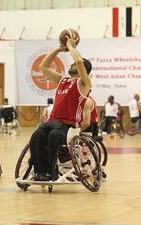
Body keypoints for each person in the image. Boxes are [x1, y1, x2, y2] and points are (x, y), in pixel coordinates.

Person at [30, 36, 92, 181]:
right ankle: (41, 172)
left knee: (53, 137)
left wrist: (71, 46)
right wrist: (59, 49)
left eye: (74, 65)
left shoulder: (84, 83)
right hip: (53, 121)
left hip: (69, 126)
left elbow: (78, 61)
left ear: (83, 69)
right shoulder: (63, 80)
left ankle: (51, 170)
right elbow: (43, 67)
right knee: (37, 136)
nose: (71, 65)